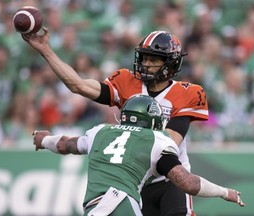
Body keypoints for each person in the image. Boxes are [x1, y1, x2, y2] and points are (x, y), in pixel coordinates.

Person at [22, 29, 209, 215]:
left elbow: (168, 143)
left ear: (170, 63)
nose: (145, 64)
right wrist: (46, 50)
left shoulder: (189, 93)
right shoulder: (126, 80)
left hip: (170, 180)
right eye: (144, 58)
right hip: (134, 182)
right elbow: (78, 85)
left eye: (153, 60)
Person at [32, 95, 245, 216]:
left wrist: (43, 140)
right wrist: (224, 192)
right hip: (122, 203)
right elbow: (188, 183)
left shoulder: (100, 131)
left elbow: (65, 144)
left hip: (94, 208)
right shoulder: (157, 140)